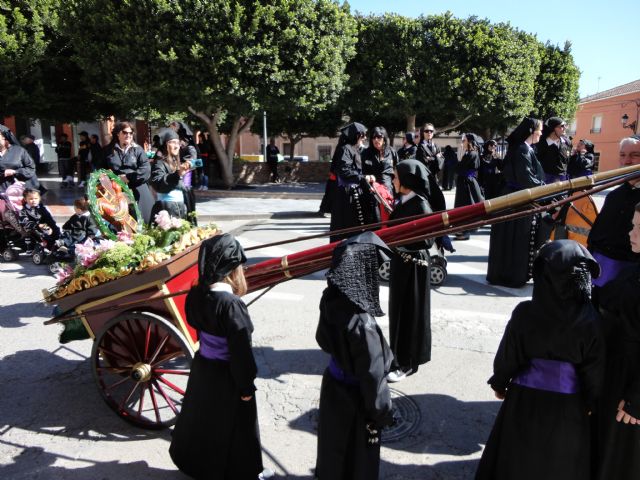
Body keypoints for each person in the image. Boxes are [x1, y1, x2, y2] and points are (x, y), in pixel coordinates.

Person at [476, 240, 605, 480]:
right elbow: (594, 371)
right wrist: (591, 403)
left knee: (518, 458)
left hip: (524, 400)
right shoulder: (590, 320)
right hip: (569, 406)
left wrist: (500, 383)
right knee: (560, 463)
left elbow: (509, 355)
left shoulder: (525, 313)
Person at [169, 234, 272, 480]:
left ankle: (199, 466)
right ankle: (244, 473)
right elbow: (241, 351)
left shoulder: (196, 294)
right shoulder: (231, 304)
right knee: (237, 426)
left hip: (204, 368)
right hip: (228, 375)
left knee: (204, 420)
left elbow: (195, 323)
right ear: (232, 268)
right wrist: (246, 384)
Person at [314, 231, 395, 480]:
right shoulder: (363, 323)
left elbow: (322, 340)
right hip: (357, 399)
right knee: (356, 459)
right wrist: (382, 413)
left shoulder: (330, 298)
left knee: (332, 447)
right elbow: (373, 376)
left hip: (333, 386)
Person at [595, 203, 640, 479]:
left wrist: (638, 397)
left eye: (638, 228)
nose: (630, 233)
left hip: (630, 386)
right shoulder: (633, 268)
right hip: (614, 375)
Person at [386, 160, 435, 383]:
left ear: (406, 180)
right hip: (402, 264)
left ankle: (407, 362)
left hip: (414, 267)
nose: (393, 180)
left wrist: (398, 241)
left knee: (410, 314)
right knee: (398, 311)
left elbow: (427, 239)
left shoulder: (421, 205)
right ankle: (397, 354)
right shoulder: (406, 200)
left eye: (396, 176)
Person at [486, 117, 545, 288]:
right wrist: (544, 188)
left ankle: (509, 273)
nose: (541, 133)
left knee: (513, 239)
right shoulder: (521, 150)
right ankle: (511, 275)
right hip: (516, 200)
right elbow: (526, 178)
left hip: (517, 198)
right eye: (539, 130)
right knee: (514, 239)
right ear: (531, 132)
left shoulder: (524, 148)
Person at [587, 136, 640, 302]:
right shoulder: (614, 195)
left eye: (634, 155)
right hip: (603, 272)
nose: (627, 161)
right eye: (623, 155)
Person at [329, 122, 376, 242]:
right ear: (356, 135)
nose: (365, 138)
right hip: (347, 195)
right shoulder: (346, 149)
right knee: (347, 227)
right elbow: (345, 170)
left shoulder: (355, 149)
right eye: (363, 135)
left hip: (355, 192)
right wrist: (362, 177)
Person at [105, 122, 154, 224]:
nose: (128, 135)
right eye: (125, 132)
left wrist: (128, 177)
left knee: (143, 221)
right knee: (120, 222)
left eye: (131, 133)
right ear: (118, 134)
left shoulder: (138, 150)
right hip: (116, 190)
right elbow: (100, 169)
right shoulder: (108, 151)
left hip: (138, 188)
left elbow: (146, 169)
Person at [149, 130, 192, 223]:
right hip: (166, 211)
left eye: (178, 143)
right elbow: (158, 183)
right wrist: (177, 174)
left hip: (180, 208)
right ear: (165, 144)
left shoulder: (176, 163)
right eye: (173, 142)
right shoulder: (159, 163)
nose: (177, 146)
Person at [453, 133, 485, 240]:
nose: (462, 142)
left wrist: (460, 158)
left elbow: (458, 168)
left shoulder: (472, 154)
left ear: (470, 142)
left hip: (467, 182)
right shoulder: (470, 153)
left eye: (464, 140)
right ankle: (462, 229)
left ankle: (465, 231)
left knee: (465, 205)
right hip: (466, 181)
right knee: (462, 205)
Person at [359, 126, 395, 214]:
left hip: (388, 190)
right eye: (373, 137)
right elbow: (360, 172)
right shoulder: (365, 153)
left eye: (379, 137)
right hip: (372, 191)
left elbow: (397, 169)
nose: (376, 140)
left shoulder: (391, 152)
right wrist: (366, 177)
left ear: (384, 138)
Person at [18, 188, 60, 252]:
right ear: (25, 199)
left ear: (39, 199)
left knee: (56, 229)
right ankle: (46, 247)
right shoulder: (24, 211)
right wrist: (37, 225)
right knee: (40, 234)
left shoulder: (42, 208)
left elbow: (49, 218)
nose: (34, 200)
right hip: (32, 229)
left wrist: (52, 226)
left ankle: (57, 244)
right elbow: (24, 222)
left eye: (36, 198)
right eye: (31, 199)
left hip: (44, 226)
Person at [0, 126, 37, 193]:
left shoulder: (19, 151)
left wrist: (15, 172)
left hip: (18, 193)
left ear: (4, 136)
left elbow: (31, 168)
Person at [536, 116, 572, 184]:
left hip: (562, 180)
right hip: (545, 180)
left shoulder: (567, 143)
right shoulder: (540, 143)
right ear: (553, 128)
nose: (564, 128)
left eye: (565, 125)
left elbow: (567, 162)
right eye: (561, 126)